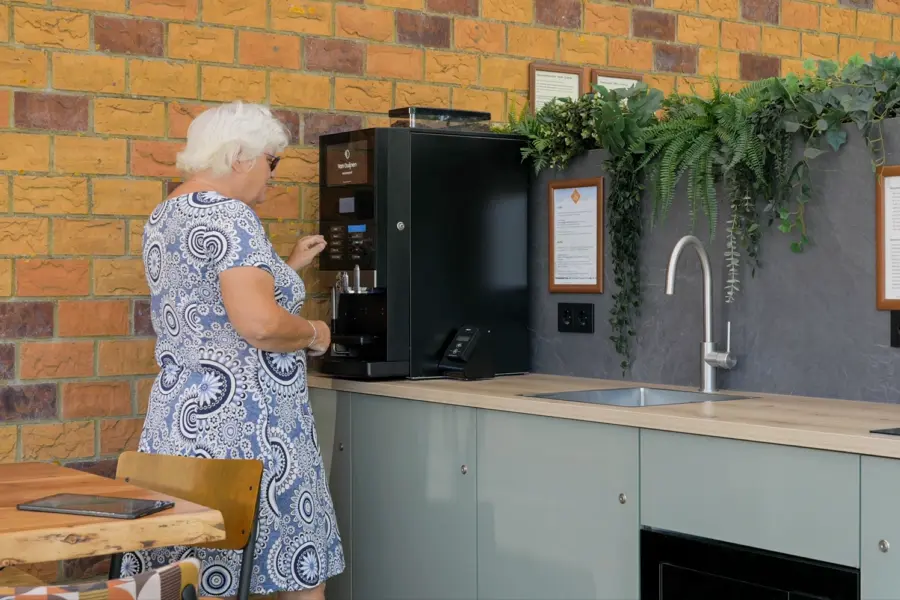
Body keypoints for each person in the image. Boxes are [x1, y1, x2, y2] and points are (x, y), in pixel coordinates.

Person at [125, 101, 342, 600]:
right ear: (241, 156)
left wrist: (286, 268)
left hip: (178, 428)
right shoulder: (231, 217)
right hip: (252, 432)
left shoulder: (166, 214)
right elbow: (260, 325)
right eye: (273, 161)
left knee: (193, 578)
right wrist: (314, 332)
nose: (273, 176)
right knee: (299, 573)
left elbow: (212, 310)